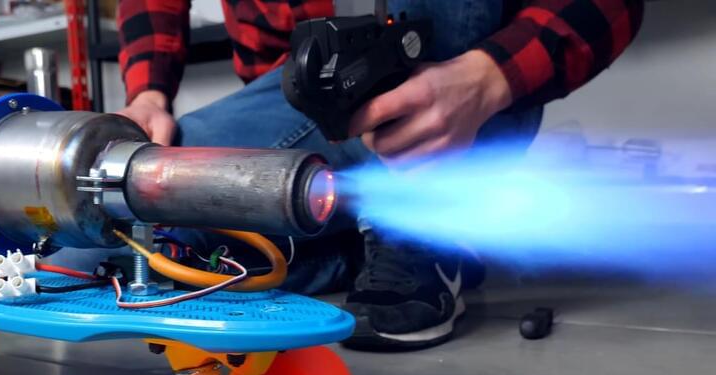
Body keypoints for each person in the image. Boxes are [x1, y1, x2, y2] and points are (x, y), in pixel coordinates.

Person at [115, 0, 644, 351]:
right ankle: (357, 243)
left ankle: (420, 221)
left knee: (167, 241)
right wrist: (148, 95)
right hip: (297, 91)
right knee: (123, 229)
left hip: (463, 85)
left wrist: (487, 80)